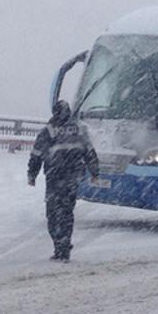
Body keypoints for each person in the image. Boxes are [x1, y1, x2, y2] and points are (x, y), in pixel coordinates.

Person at [28, 100, 98, 261]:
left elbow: (36, 155)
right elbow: (89, 152)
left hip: (55, 176)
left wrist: (32, 175)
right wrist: (94, 172)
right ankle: (65, 245)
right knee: (67, 212)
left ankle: (59, 245)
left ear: (55, 112)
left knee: (53, 213)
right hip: (73, 177)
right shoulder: (79, 130)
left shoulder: (48, 131)